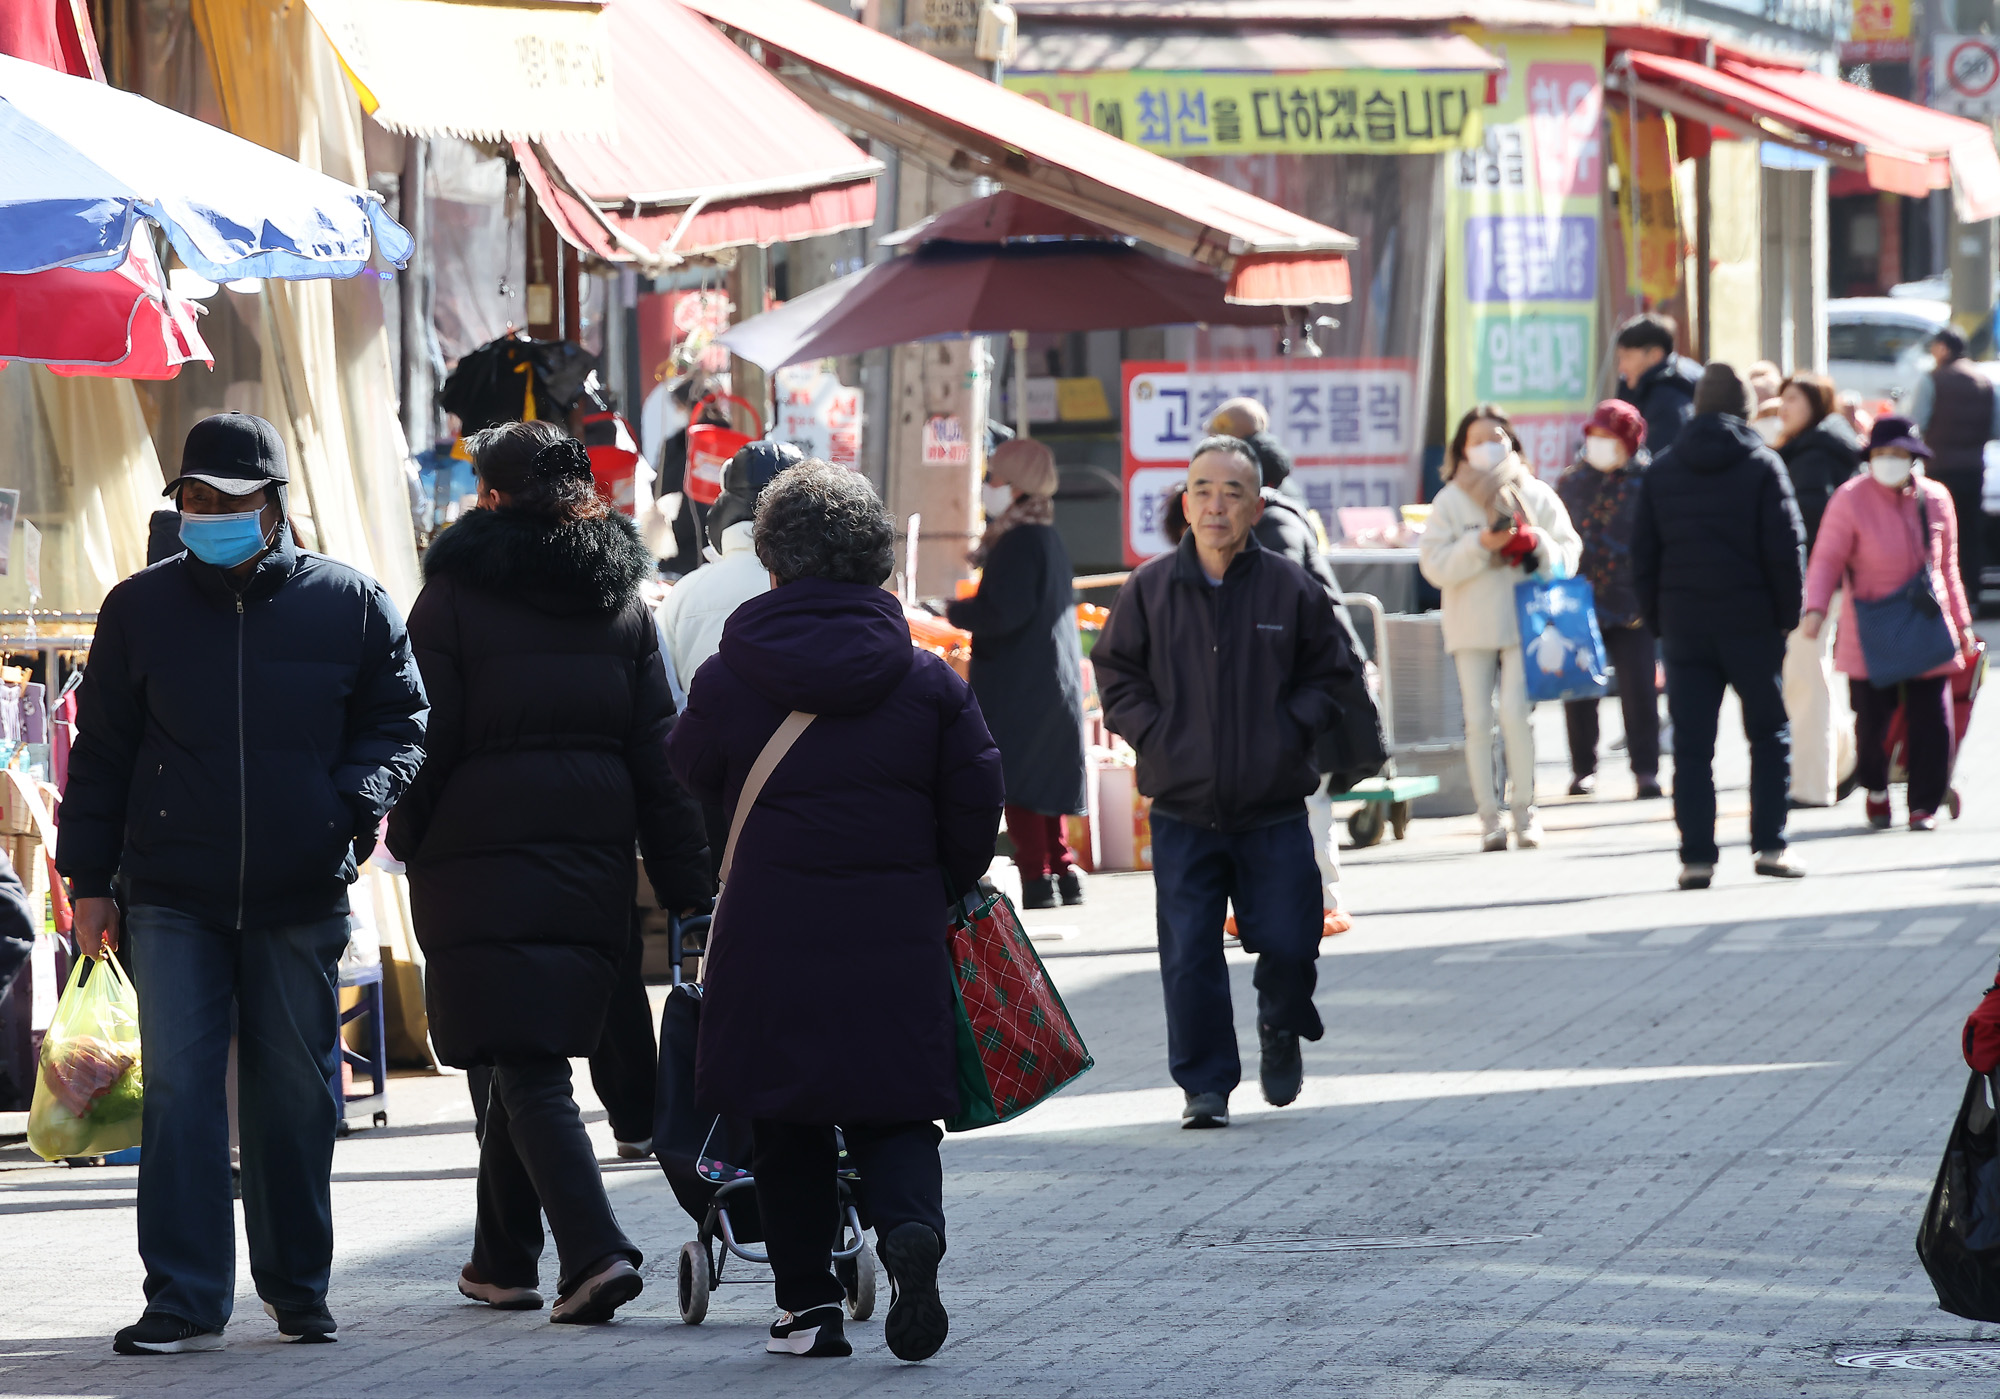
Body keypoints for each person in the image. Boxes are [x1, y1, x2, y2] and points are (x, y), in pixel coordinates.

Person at [57, 413, 428, 1354]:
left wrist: (349, 801)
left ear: (274, 505)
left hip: (300, 888)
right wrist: (88, 879)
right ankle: (182, 1294)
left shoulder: (350, 600)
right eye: (193, 498)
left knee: (294, 1093)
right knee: (179, 1089)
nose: (208, 512)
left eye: (228, 498)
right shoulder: (137, 607)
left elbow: (402, 720)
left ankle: (298, 1285)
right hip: (171, 889)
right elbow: (99, 756)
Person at [666, 463, 1002, 1362]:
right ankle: (907, 1235)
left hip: (767, 932)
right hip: (894, 928)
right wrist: (932, 883)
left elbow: (690, 769)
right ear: (879, 567)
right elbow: (978, 806)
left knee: (785, 1117)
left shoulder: (729, 676)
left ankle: (807, 1309)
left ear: (770, 564)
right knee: (894, 1109)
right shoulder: (931, 684)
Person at [386, 421, 711, 1326]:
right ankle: (501, 1260)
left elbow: (424, 738)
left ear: (488, 498)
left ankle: (597, 1250)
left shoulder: (448, 600)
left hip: (473, 861)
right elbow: (660, 758)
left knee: (521, 1058)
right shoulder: (624, 605)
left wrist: (408, 833)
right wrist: (688, 883)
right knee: (512, 1046)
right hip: (590, 862)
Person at [1093, 437, 1356, 1129]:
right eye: (1203, 490)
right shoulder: (1149, 588)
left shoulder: (1288, 587)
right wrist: (1158, 734)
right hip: (1182, 806)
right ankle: (1204, 1085)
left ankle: (1280, 1019)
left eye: (1232, 492)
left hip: (1271, 806)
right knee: (1188, 955)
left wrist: (1283, 730)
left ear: (1256, 506)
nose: (1215, 505)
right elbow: (1116, 673)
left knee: (1293, 940)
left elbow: (1331, 675)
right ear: (1185, 502)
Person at [1633, 363, 1807, 889]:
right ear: (1746, 410)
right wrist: (1786, 618)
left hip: (1686, 628)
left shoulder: (1662, 469)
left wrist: (1661, 621)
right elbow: (1786, 549)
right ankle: (1771, 845)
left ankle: (1697, 858)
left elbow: (1643, 557)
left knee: (1691, 745)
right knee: (1770, 734)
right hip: (1752, 623)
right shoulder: (1762, 464)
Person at [1417, 406, 1582, 851]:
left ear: (1512, 441)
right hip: (1471, 626)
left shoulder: (1535, 492)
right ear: (1462, 449)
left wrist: (1537, 544)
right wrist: (1480, 545)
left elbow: (1569, 550)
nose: (1489, 445)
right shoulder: (1450, 500)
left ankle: (1525, 812)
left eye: (1498, 436)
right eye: (1477, 439)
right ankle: (1488, 817)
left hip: (1525, 624)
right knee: (1477, 721)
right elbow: (1433, 565)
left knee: (1515, 716)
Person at [1803, 416, 1978, 830]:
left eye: (1897, 454)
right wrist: (1815, 608)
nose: (1888, 461)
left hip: (1924, 621)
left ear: (1913, 458)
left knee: (1933, 721)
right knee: (1872, 721)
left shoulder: (1936, 498)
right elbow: (1826, 558)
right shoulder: (1849, 499)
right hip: (1868, 623)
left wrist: (1963, 622)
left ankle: (1924, 805)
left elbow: (1948, 566)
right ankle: (1877, 790)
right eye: (1881, 454)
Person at [947, 439, 1088, 909]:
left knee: (1022, 780)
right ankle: (1062, 868)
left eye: (994, 477)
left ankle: (1036, 877)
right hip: (1049, 675)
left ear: (1017, 484)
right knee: (1044, 775)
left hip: (1021, 680)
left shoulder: (1019, 541)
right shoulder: (1045, 532)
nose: (987, 486)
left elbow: (1003, 612)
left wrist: (954, 610)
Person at [1555, 400, 1661, 800]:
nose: (1598, 444)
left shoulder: (1650, 481)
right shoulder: (1570, 482)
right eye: (1593, 436)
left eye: (1608, 437)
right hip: (1579, 601)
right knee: (1580, 688)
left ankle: (1646, 770)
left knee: (1639, 689)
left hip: (1633, 603)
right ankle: (1584, 768)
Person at [1775, 371, 1863, 807]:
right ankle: (1845, 762)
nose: (1783, 406)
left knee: (1806, 680)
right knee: (1813, 676)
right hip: (1821, 585)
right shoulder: (1820, 447)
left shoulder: (1813, 455)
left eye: (1793, 398)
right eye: (1781, 398)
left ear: (1817, 404)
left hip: (1811, 586)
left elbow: (1807, 528)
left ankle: (1812, 785)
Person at [1908, 326, 1998, 613]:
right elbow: (1995, 426)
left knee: (1939, 530)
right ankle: (1971, 592)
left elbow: (1916, 422)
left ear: (1944, 348)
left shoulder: (1934, 379)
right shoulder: (1984, 381)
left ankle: (1942, 592)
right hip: (1973, 469)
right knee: (1970, 531)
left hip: (1939, 469)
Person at [1614, 313, 1703, 457]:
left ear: (1655, 355)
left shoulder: (1669, 401)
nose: (1621, 368)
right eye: (1620, 358)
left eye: (1627, 357)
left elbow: (1657, 463)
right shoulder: (1638, 389)